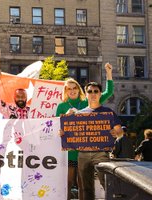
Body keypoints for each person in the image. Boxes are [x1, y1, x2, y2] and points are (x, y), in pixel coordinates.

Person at [56, 63, 114, 199]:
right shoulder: (62, 106)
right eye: (69, 89)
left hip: (86, 150)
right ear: (65, 91)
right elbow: (56, 126)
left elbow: (108, 92)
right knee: (67, 183)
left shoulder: (87, 102)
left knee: (83, 184)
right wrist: (64, 118)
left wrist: (109, 73)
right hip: (69, 151)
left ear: (79, 89)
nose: (72, 90)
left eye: (75, 87)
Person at [72, 81, 123, 200]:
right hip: (83, 154)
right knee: (85, 187)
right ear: (86, 94)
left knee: (107, 184)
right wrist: (63, 133)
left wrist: (117, 133)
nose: (93, 93)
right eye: (90, 91)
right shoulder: (80, 114)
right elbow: (72, 133)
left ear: (100, 94)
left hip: (101, 153)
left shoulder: (108, 112)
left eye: (96, 91)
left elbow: (120, 132)